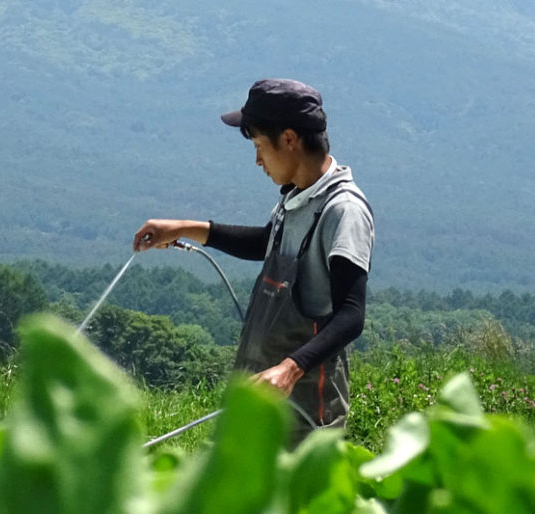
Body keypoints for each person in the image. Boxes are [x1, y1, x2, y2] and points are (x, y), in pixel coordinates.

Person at [133, 78, 374, 446]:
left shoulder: (343, 211)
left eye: (261, 145)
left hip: (305, 418)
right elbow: (266, 243)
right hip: (259, 408)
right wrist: (184, 228)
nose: (258, 159)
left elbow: (351, 314)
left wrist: (290, 370)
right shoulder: (295, 197)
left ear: (290, 139)